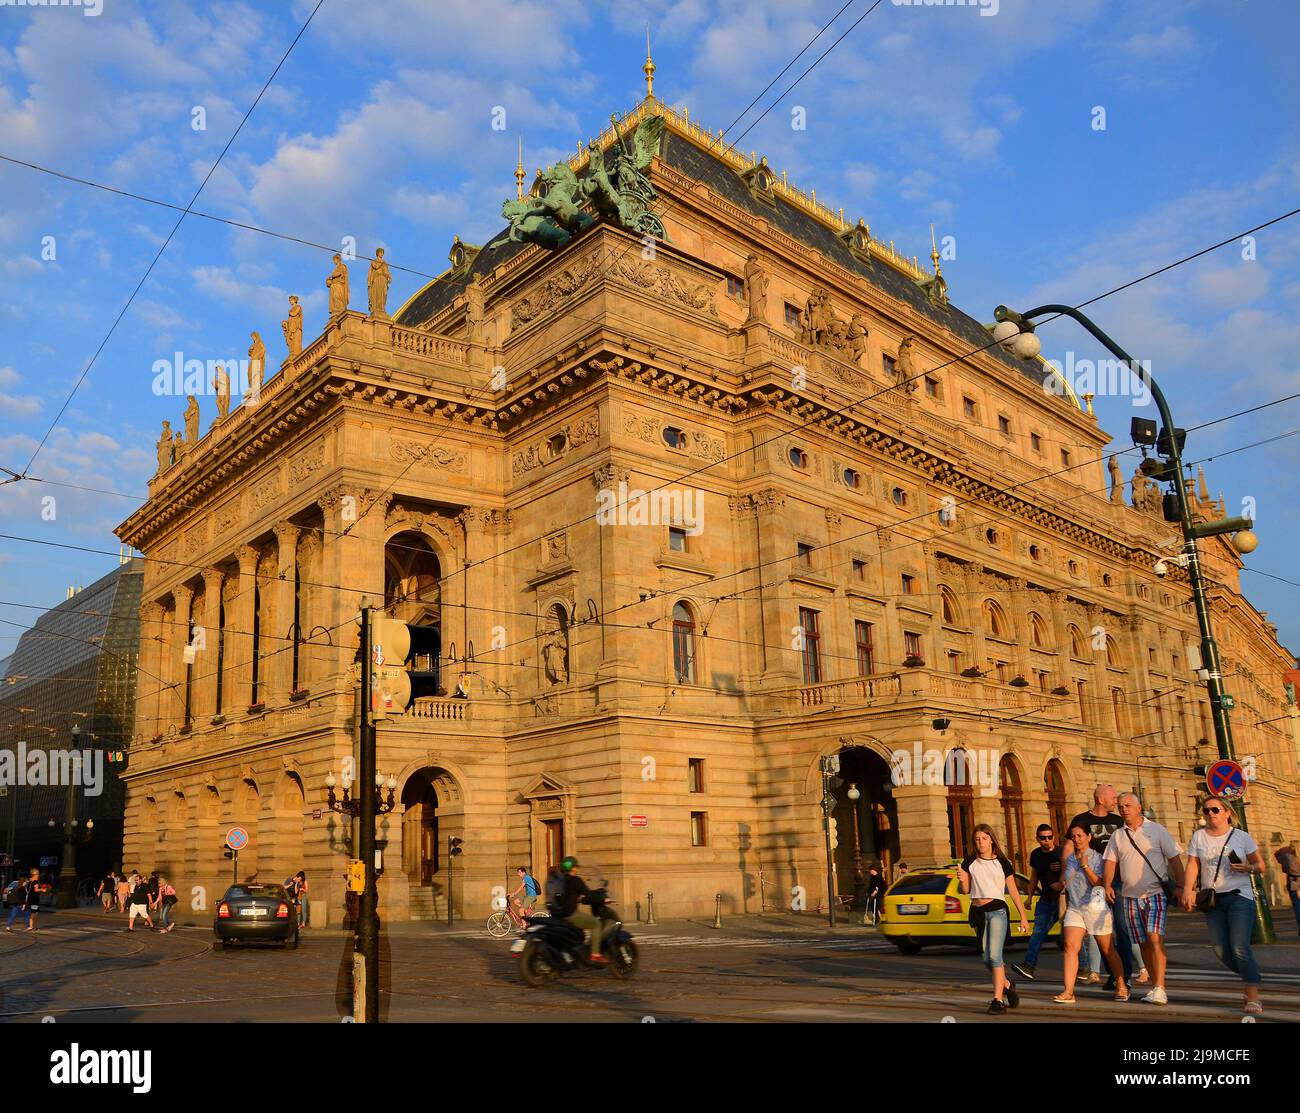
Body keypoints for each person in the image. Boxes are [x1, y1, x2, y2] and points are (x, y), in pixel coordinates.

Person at [1182, 797, 1265, 1014]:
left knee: (1239, 946)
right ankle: (1252, 975)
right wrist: (1188, 889)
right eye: (1206, 810)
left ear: (1227, 812)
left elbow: (1260, 865)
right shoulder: (1199, 836)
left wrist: (1248, 868)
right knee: (1220, 949)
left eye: (1215, 810)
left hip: (1239, 896)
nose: (1210, 814)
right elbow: (1192, 864)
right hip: (1213, 900)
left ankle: (1252, 994)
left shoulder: (1241, 837)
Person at [1102, 792, 1184, 1005]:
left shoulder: (1156, 830)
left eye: (1128, 805)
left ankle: (1160, 987)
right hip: (1129, 897)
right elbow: (1110, 862)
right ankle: (1154, 986)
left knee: (1154, 938)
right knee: (1144, 943)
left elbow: (1175, 859)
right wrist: (1108, 884)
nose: (1124, 809)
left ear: (1139, 808)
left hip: (1154, 893)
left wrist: (1182, 886)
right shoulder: (1118, 835)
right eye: (1120, 806)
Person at [1066, 784, 1147, 989]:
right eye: (1112, 798)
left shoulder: (1119, 822)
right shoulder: (1081, 821)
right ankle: (1114, 974)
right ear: (1101, 799)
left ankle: (1125, 975)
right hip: (1091, 888)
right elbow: (1069, 847)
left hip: (1118, 882)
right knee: (1101, 934)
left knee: (1122, 929)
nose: (1116, 802)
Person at [956, 824, 1029, 1014]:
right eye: (977, 839)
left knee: (995, 955)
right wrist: (962, 878)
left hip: (997, 911)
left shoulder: (1003, 862)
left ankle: (998, 1000)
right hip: (978, 912)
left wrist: (1023, 917)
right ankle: (1006, 983)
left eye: (984, 838)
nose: (980, 842)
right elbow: (965, 890)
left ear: (991, 840)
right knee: (986, 958)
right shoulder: (970, 861)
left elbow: (1012, 890)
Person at [1052, 824, 1128, 1003]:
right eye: (1073, 837)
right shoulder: (1070, 859)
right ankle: (1068, 992)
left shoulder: (1098, 858)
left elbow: (1100, 883)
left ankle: (1121, 984)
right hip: (1075, 908)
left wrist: (1085, 867)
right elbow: (1066, 878)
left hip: (1096, 907)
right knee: (1070, 947)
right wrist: (1061, 882)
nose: (1077, 839)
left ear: (1089, 837)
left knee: (1107, 949)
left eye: (1080, 835)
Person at [1013, 823, 1064, 981]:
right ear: (1037, 839)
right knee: (1037, 933)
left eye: (1049, 837)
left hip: (1063, 900)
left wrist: (1061, 883)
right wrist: (1029, 896)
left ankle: (1084, 968)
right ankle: (1029, 966)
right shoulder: (1036, 855)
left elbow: (1071, 871)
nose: (1047, 841)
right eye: (1043, 838)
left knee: (1071, 936)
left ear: (1054, 838)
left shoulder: (1061, 852)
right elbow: (1034, 875)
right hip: (1046, 900)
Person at [546, 856, 607, 963]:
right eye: (575, 867)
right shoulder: (575, 880)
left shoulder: (561, 880)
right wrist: (603, 900)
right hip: (570, 914)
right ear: (573, 868)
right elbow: (588, 895)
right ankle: (595, 954)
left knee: (580, 930)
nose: (577, 869)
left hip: (558, 913)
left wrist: (576, 899)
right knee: (596, 924)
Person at [1273, 842, 1300, 935]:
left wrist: (1285, 849)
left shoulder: (1287, 857)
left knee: (1297, 906)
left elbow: (1277, 854)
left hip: (1293, 881)